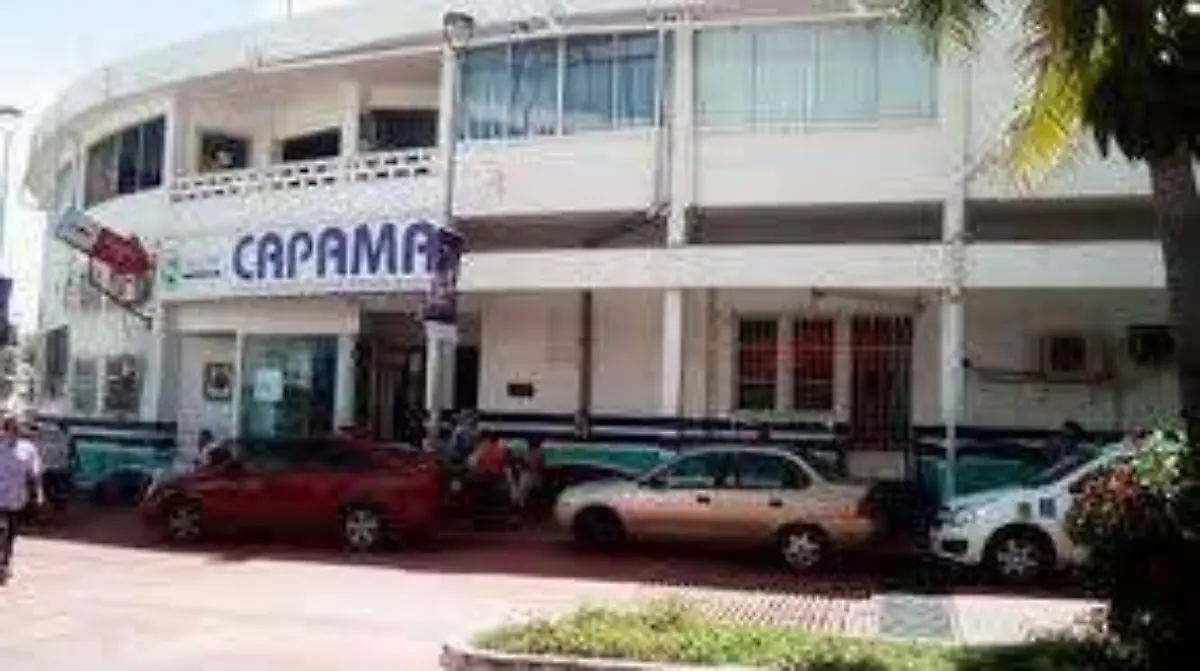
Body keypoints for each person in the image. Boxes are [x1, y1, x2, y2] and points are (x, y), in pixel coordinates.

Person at [0, 416, 44, 584]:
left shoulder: (28, 449)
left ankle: (5, 562)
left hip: (16, 498)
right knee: (2, 529)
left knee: (11, 533)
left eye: (16, 430)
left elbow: (35, 473)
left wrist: (39, 493)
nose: (13, 433)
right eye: (10, 430)